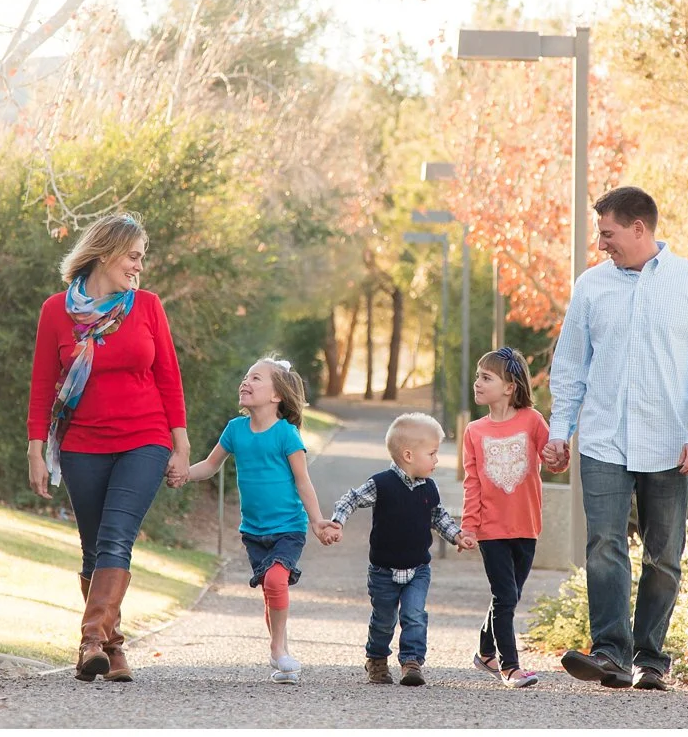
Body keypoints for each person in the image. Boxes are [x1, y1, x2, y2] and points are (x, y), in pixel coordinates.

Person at [545, 186, 688, 692]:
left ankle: (651, 659)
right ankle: (610, 652)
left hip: (671, 443)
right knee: (604, 544)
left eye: (608, 233)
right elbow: (570, 367)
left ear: (639, 228)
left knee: (663, 555)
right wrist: (560, 431)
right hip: (604, 439)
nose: (601, 243)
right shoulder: (591, 286)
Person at [27, 213, 192, 683]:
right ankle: (112, 649)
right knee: (93, 549)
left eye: (142, 258)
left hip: (145, 439)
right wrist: (35, 450)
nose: (139, 266)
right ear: (105, 252)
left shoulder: (148, 306)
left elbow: (169, 378)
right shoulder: (56, 311)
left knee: (116, 539)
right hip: (81, 443)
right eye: (133, 256)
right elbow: (42, 384)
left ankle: (89, 641)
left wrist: (180, 445)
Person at [180, 357, 337, 684]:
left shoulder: (286, 434)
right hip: (253, 532)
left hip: (288, 528)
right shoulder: (235, 430)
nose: (246, 382)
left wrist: (317, 521)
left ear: (276, 395)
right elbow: (210, 465)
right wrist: (182, 474)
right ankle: (282, 656)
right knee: (270, 588)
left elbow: (303, 482)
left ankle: (277, 648)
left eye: (256, 378)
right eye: (246, 376)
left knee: (275, 581)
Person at [324, 412, 476, 686]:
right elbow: (351, 499)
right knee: (384, 620)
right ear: (408, 455)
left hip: (418, 568)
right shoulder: (382, 484)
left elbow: (438, 517)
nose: (436, 460)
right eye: (432, 454)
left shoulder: (429, 488)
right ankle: (377, 659)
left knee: (414, 615)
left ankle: (411, 662)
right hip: (383, 570)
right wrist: (337, 522)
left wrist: (457, 536)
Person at [462, 347, 562, 689]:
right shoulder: (474, 431)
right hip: (490, 529)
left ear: (509, 387)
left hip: (526, 526)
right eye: (477, 376)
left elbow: (554, 461)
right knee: (505, 597)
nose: (477, 383)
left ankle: (485, 653)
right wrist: (469, 526)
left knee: (508, 597)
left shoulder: (532, 421)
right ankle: (510, 667)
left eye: (486, 378)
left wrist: (559, 455)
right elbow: (472, 483)